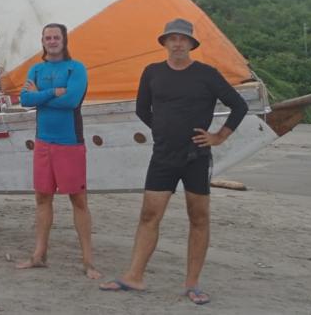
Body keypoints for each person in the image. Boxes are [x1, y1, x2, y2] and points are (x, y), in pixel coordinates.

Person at [100, 18, 249, 305]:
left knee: (199, 217)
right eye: (173, 38)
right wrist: (160, 129)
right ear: (165, 43)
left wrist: (219, 136)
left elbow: (239, 106)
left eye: (183, 39)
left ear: (191, 43)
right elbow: (142, 108)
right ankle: (134, 276)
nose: (178, 43)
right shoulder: (152, 72)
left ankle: (192, 283)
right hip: (163, 155)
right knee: (149, 215)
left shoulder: (207, 74)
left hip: (196, 156)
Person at [17, 23, 101, 279]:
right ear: (42, 41)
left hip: (69, 142)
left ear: (64, 40)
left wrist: (40, 96)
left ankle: (88, 261)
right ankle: (39, 255)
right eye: (47, 37)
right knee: (42, 198)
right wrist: (53, 91)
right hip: (43, 141)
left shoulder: (76, 68)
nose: (52, 41)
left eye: (56, 37)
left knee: (78, 200)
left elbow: (72, 100)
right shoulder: (37, 68)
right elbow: (24, 100)